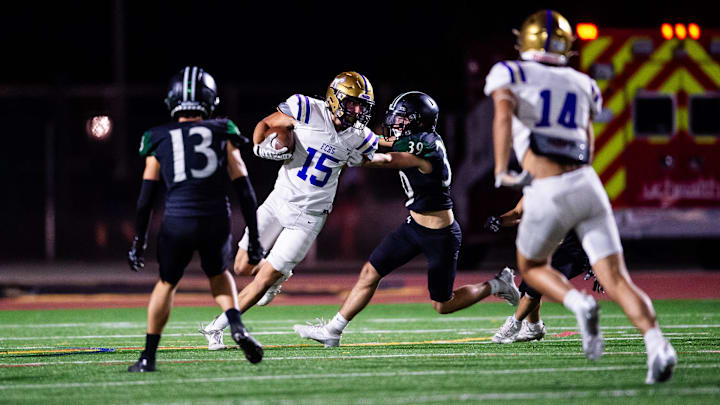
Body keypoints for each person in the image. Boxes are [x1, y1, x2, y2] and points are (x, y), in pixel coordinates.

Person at [488, 10, 676, 383]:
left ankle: (578, 303)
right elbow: (587, 143)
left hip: (548, 185)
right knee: (619, 279)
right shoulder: (584, 83)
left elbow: (503, 115)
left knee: (531, 268)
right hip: (588, 184)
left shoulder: (510, 72)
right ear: (566, 45)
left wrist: (501, 169)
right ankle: (658, 346)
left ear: (524, 40)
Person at [293, 91, 520, 347]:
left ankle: (498, 284)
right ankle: (333, 330)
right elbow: (385, 143)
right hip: (413, 227)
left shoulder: (426, 146)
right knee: (370, 272)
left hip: (440, 235)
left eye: (401, 118)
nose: (395, 123)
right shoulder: (415, 139)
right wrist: (349, 140)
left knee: (443, 305)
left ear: (417, 121)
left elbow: (391, 157)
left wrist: (356, 157)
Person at [199, 72, 380, 350]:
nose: (358, 111)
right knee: (242, 266)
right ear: (334, 98)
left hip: (308, 218)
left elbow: (382, 155)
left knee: (263, 279)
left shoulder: (360, 137)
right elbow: (266, 124)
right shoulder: (305, 109)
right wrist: (262, 147)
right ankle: (279, 274)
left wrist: (411, 149)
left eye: (362, 106)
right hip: (278, 201)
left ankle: (217, 327)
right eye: (353, 103)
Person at [127, 66, 263, 371]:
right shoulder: (223, 129)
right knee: (219, 276)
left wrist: (139, 240)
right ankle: (237, 326)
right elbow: (245, 190)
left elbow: (145, 199)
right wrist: (254, 238)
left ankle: (148, 356)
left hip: (177, 220)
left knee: (166, 284)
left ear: (172, 100)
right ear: (209, 99)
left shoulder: (157, 136)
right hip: (215, 218)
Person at [486, 198, 601, 344]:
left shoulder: (570, 192)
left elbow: (594, 223)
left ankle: (514, 324)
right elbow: (517, 213)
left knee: (534, 288)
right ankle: (534, 328)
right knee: (526, 288)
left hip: (573, 250)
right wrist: (500, 220)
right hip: (551, 249)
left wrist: (597, 259)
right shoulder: (536, 190)